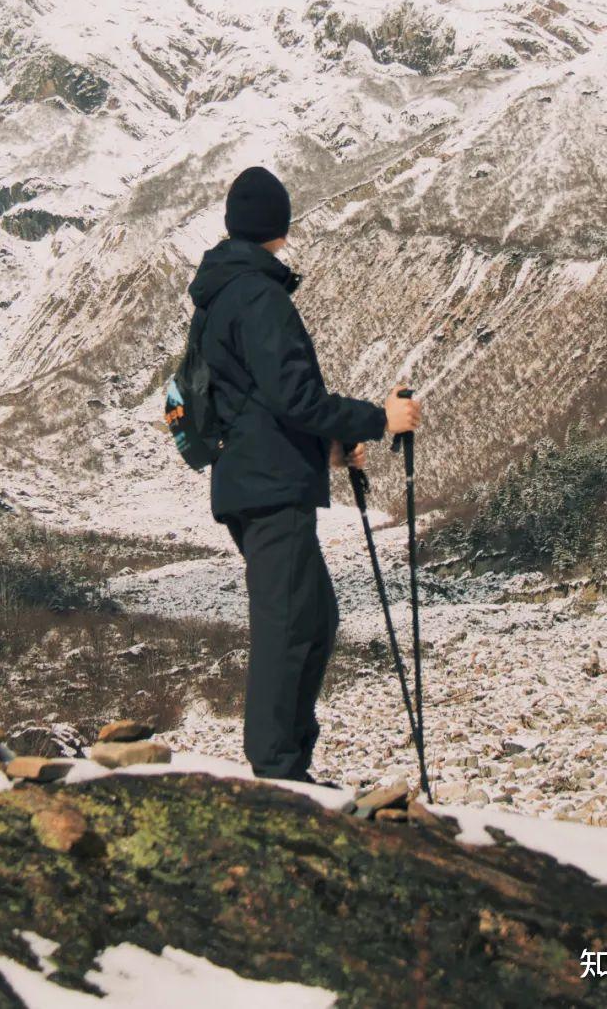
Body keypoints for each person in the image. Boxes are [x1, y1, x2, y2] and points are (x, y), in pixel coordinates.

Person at [187, 165, 422, 782]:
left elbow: (258, 404)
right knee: (291, 625)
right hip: (266, 487)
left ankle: (287, 763)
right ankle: (278, 772)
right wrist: (380, 419)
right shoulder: (258, 296)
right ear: (280, 226)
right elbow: (296, 398)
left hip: (256, 480)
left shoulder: (223, 293)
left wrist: (326, 452)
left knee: (311, 618)